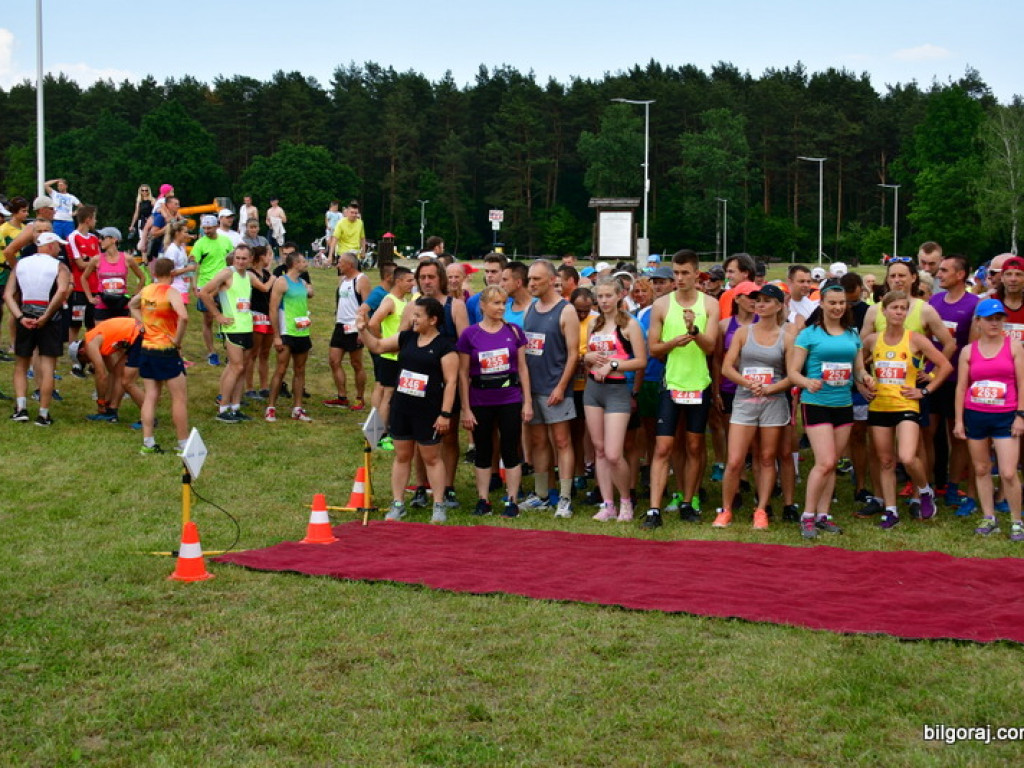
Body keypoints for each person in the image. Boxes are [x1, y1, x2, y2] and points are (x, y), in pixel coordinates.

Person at [357, 297, 458, 524]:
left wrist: (445, 414)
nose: (413, 319)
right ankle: (398, 503)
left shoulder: (445, 347)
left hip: (428, 411)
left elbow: (451, 383)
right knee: (402, 456)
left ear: (433, 320)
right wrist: (363, 329)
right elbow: (378, 346)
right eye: (413, 314)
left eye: (418, 315)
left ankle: (439, 505)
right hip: (402, 408)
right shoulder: (406, 338)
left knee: (432, 458)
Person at [642, 250, 720, 529]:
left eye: (685, 273)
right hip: (671, 384)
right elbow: (653, 349)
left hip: (698, 383)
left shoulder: (709, 304)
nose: (679, 278)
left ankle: (689, 501)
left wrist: (694, 331)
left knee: (695, 445)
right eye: (676, 273)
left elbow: (710, 347)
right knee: (663, 446)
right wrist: (673, 343)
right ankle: (654, 509)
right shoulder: (661, 306)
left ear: (697, 274)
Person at [788, 283, 874, 539]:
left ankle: (823, 516)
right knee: (824, 462)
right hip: (816, 404)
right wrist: (806, 382)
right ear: (822, 304)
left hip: (843, 404)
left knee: (833, 463)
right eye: (832, 302)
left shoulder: (852, 335)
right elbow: (793, 371)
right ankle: (807, 516)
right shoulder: (808, 334)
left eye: (841, 303)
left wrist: (866, 378)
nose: (837, 307)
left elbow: (858, 370)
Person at [863, 290, 953, 529]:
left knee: (907, 456)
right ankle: (891, 510)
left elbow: (945, 366)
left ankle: (924, 490)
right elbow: (857, 365)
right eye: (895, 308)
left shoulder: (916, 339)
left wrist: (926, 390)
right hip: (880, 405)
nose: (899, 312)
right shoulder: (873, 340)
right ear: (884, 311)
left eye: (904, 308)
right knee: (884, 460)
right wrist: (862, 385)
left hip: (906, 405)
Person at [717, 283, 793, 530]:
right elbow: (727, 367)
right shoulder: (743, 332)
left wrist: (770, 388)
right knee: (736, 459)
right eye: (757, 300)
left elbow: (792, 374)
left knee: (767, 457)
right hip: (744, 400)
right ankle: (726, 509)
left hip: (773, 402)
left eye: (766, 300)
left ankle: (761, 509)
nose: (760, 304)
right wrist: (749, 383)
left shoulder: (787, 337)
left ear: (779, 305)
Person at [457, 285, 533, 518]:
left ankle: (512, 500)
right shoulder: (470, 334)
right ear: (483, 305)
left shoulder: (514, 331)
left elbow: (522, 368)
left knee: (510, 448)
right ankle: (483, 499)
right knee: (483, 450)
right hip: (480, 399)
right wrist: (466, 408)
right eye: (496, 303)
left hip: (509, 397)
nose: (501, 308)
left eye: (503, 303)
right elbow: (462, 373)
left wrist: (527, 401)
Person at [953, 299, 1024, 542]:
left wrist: (1021, 415)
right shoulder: (968, 351)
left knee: (1007, 472)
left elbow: (1022, 383)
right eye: (989, 319)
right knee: (981, 469)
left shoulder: (1014, 347)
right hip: (976, 415)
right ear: (979, 322)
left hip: (1006, 416)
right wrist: (959, 421)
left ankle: (1016, 521)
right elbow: (962, 387)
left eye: (998, 318)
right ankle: (989, 517)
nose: (994, 323)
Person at [520, 260, 581, 518]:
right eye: (530, 279)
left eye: (537, 279)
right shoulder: (530, 309)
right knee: (537, 441)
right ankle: (541, 494)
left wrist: (561, 387)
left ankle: (565, 498)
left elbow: (573, 354)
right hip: (532, 388)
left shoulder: (566, 311)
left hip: (555, 388)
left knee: (561, 441)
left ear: (551, 280)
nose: (531, 283)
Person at [584, 277, 647, 522]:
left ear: (620, 295)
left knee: (613, 453)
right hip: (593, 390)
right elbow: (586, 356)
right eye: (600, 297)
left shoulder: (630, 325)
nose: (604, 301)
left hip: (617, 390)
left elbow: (641, 361)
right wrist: (588, 357)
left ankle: (626, 501)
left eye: (609, 296)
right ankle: (607, 503)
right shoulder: (593, 324)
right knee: (599, 450)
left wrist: (613, 365)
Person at [4, 232, 72, 425]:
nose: (60, 249)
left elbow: (9, 295)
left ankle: (21, 408)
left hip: (25, 315)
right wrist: (47, 315)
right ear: (50, 246)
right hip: (49, 319)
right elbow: (61, 291)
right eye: (58, 246)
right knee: (48, 367)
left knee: (21, 364)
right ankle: (43, 413)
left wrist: (20, 316)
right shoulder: (59, 266)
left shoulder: (20, 265)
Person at [129, 257, 189, 455]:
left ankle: (147, 442)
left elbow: (132, 304)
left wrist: (146, 324)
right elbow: (184, 316)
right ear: (172, 273)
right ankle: (182, 443)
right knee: (179, 398)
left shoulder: (147, 290)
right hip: (166, 350)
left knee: (151, 396)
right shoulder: (172, 292)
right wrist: (177, 341)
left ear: (154, 274)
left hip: (147, 348)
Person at [200, 244, 256, 422]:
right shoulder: (227, 273)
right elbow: (203, 292)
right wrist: (217, 315)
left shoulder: (248, 276)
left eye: (244, 258)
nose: (240, 261)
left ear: (250, 260)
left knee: (243, 369)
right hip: (232, 327)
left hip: (247, 326)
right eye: (237, 258)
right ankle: (223, 408)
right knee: (236, 367)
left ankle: (236, 406)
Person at [367, 266, 415, 449]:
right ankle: (381, 436)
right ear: (398, 281)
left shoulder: (403, 301)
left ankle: (373, 432)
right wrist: (384, 342)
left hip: (396, 357)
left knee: (384, 394)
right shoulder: (390, 300)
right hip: (390, 357)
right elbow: (373, 322)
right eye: (409, 280)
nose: (412, 284)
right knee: (388, 396)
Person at [265, 250, 314, 423]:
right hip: (286, 332)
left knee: (300, 370)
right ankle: (271, 407)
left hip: (302, 331)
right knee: (281, 369)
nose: (305, 263)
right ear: (294, 263)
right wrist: (276, 336)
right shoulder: (281, 282)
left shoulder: (302, 282)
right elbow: (273, 308)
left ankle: (297, 408)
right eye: (302, 261)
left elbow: (310, 294)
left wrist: (309, 289)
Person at [69, 316, 145, 423]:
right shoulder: (99, 343)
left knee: (127, 382)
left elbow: (101, 376)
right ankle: (111, 412)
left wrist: (100, 402)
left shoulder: (90, 345)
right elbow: (112, 373)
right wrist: (107, 402)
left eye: (84, 361)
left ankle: (149, 417)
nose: (88, 363)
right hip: (137, 334)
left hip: (139, 335)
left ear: (81, 351)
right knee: (120, 373)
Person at [324, 251, 371, 410]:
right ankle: (342, 396)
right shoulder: (343, 280)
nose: (338, 265)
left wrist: (362, 330)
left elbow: (366, 307)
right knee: (334, 361)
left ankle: (360, 398)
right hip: (340, 326)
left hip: (355, 327)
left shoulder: (362, 280)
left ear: (349, 264)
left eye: (340, 262)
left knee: (356, 363)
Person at [190, 214, 234, 365]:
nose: (207, 231)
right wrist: (194, 284)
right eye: (204, 228)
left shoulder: (226, 241)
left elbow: (232, 261)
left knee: (228, 319)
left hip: (223, 286)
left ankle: (230, 353)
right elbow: (193, 266)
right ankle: (211, 353)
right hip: (206, 287)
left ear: (216, 226)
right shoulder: (200, 244)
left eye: (209, 228)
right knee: (208, 320)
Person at [81, 227, 146, 322]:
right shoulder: (97, 259)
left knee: (121, 336)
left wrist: (134, 297)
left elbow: (142, 277)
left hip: (121, 304)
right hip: (102, 303)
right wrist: (90, 298)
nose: (99, 241)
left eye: (103, 238)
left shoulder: (127, 258)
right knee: (101, 335)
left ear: (113, 239)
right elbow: (83, 278)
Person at [244, 245, 276, 400]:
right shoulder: (250, 274)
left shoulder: (266, 273)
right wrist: (273, 279)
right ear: (262, 257)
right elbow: (263, 288)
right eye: (269, 255)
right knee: (252, 353)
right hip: (256, 316)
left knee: (265, 353)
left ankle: (264, 386)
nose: (271, 258)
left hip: (269, 316)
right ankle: (249, 387)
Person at [67, 204, 101, 340]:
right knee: (75, 323)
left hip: (95, 286)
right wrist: (92, 262)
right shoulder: (73, 237)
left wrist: (90, 261)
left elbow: (99, 262)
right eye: (94, 218)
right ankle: (73, 351)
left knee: (92, 323)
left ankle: (90, 350)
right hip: (79, 289)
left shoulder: (94, 238)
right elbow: (80, 264)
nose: (95, 221)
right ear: (88, 219)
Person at [467, 252, 507, 324]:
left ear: (504, 272)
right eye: (486, 271)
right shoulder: (473, 301)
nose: (489, 275)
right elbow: (472, 331)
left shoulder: (513, 299)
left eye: (493, 271)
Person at [328, 201, 366, 266]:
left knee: (357, 276)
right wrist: (330, 255)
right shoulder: (340, 223)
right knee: (344, 276)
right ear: (347, 213)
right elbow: (335, 239)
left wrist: (363, 251)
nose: (354, 215)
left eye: (356, 213)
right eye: (352, 212)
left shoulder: (360, 223)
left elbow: (362, 238)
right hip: (343, 255)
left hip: (355, 255)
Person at [127, 184, 154, 250]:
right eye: (142, 190)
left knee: (150, 238)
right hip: (141, 221)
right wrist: (132, 225)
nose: (144, 192)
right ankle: (144, 259)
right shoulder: (139, 201)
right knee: (142, 239)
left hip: (150, 220)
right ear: (140, 191)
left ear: (148, 191)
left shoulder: (152, 200)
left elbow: (155, 211)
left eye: (146, 190)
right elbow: (136, 213)